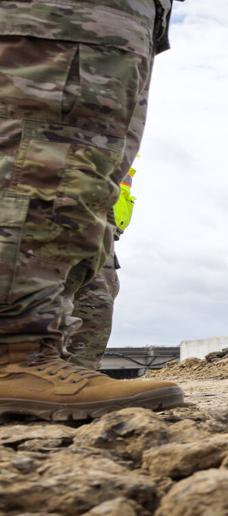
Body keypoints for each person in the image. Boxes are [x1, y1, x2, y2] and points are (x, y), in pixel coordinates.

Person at [0, 0, 186, 420]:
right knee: (46, 160)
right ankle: (14, 354)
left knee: (77, 169)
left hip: (129, 22)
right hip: (73, 16)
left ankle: (32, 354)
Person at [66, 164, 136, 370]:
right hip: (67, 218)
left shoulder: (120, 152)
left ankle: (79, 376)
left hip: (101, 227)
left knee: (96, 302)